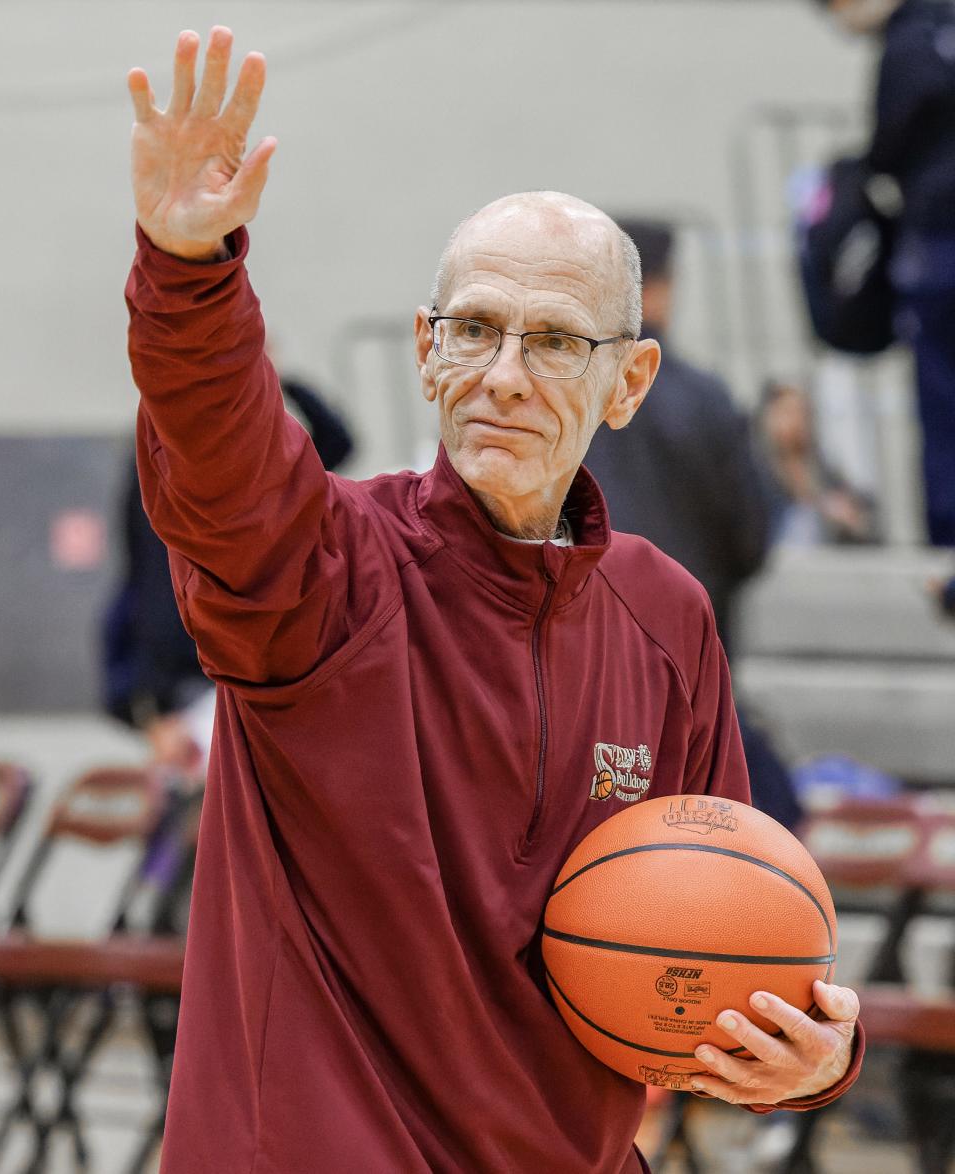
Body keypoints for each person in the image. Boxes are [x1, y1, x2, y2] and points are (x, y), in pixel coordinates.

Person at [125, 28, 863, 1172]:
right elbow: (217, 450)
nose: (504, 374)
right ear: (426, 353)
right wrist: (187, 270)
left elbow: (731, 937)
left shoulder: (666, 620)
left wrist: (809, 1054)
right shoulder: (322, 568)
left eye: (556, 340)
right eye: (474, 328)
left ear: (628, 383)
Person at [101, 366, 354, 771]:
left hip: (260, 678)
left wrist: (278, 375)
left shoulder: (267, 467)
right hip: (182, 689)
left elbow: (338, 443)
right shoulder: (150, 474)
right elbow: (136, 585)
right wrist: (146, 715)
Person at [584, 220, 771, 661]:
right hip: (687, 641)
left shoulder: (560, 396)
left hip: (583, 642)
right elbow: (750, 537)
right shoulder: (705, 398)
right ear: (664, 288)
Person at [816, 0, 955, 547]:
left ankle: (948, 547)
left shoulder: (912, 42)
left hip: (941, 247)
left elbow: (890, 146)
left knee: (944, 407)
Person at [756, 378, 880, 547]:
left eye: (802, 412)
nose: (796, 421)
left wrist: (850, 513)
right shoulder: (758, 467)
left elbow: (856, 505)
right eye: (787, 412)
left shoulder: (819, 466)